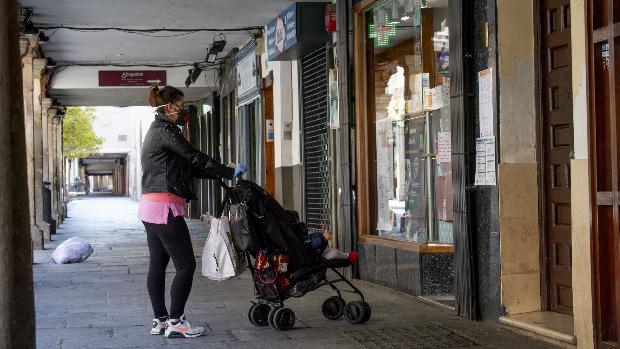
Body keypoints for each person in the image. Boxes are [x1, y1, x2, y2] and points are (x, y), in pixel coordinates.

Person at [139, 86, 248, 338]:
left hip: (151, 207)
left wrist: (221, 173)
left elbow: (189, 167)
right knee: (186, 265)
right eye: (181, 105)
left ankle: (160, 320)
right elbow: (194, 156)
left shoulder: (157, 132)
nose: (183, 111)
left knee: (158, 263)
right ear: (169, 107)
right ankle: (176, 320)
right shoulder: (165, 131)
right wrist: (227, 172)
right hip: (165, 207)